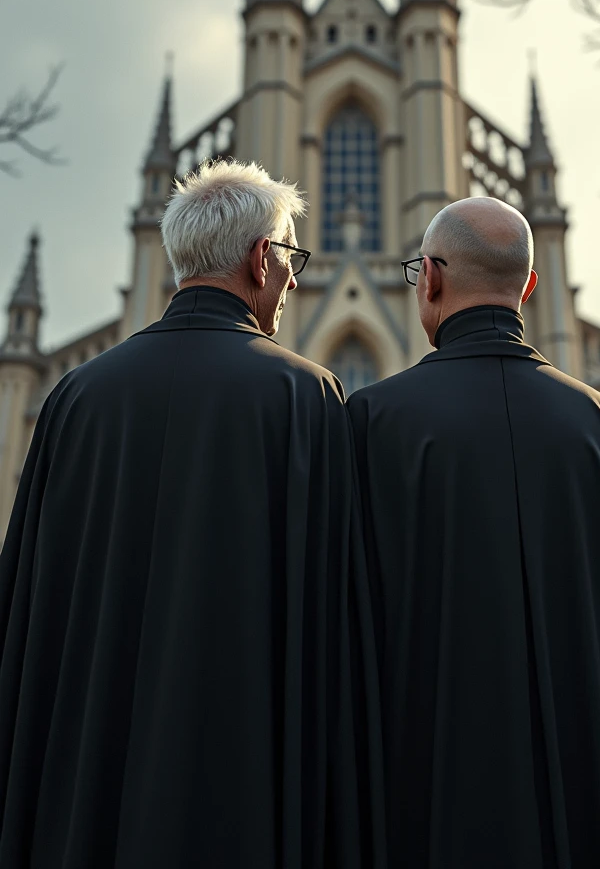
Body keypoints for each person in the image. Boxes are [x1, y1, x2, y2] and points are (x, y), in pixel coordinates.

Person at [0, 160, 385, 869]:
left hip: (84, 796)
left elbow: (23, 614)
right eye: (292, 258)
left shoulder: (75, 399)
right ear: (261, 259)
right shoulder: (305, 398)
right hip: (246, 791)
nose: (295, 281)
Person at [347, 196, 600, 869]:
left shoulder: (370, 422)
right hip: (595, 813)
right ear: (528, 287)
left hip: (427, 807)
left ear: (431, 280)